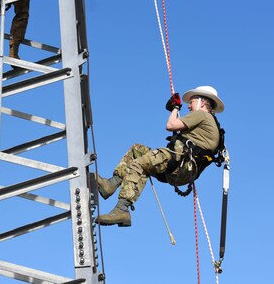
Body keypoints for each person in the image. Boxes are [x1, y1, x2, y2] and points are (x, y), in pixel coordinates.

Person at [95, 86, 225, 227]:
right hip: (182, 169)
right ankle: (112, 184)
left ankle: (122, 209)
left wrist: (175, 108)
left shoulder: (201, 115)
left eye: (192, 102)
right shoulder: (211, 124)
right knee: (137, 150)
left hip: (179, 161)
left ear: (202, 102)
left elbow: (170, 125)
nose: (189, 106)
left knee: (139, 163)